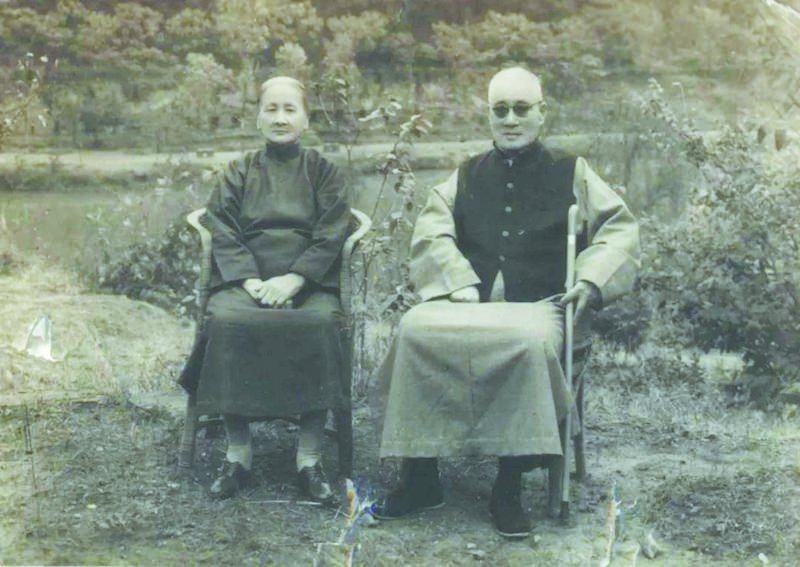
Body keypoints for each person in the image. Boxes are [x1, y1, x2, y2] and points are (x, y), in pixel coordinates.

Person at [371, 67, 640, 537]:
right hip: (467, 301)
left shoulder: (572, 169)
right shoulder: (466, 173)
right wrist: (457, 281)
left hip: (542, 305)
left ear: (542, 112)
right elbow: (431, 230)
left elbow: (619, 229)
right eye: (501, 110)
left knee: (529, 342)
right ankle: (420, 477)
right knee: (414, 328)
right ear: (489, 116)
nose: (511, 120)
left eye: (521, 109)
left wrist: (590, 280)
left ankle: (508, 486)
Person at [178, 77, 350, 503]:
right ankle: (238, 454)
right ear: (258, 118)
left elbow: (332, 231)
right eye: (271, 109)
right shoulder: (239, 171)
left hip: (307, 281)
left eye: (290, 109)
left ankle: (309, 458)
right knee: (226, 321)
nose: (280, 118)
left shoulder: (323, 172)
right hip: (246, 280)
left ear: (306, 119)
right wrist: (251, 280)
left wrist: (295, 279)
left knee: (320, 322)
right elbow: (221, 226)